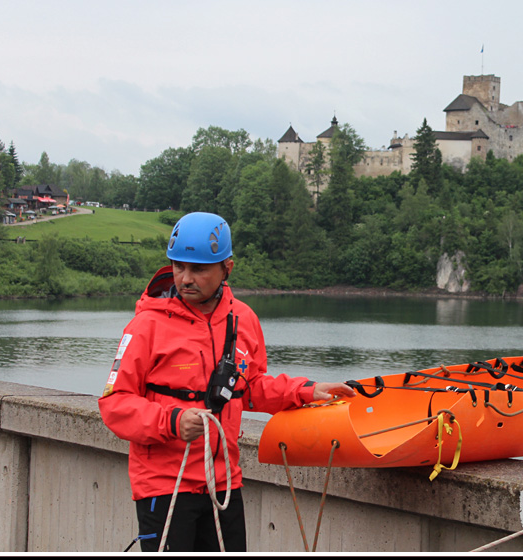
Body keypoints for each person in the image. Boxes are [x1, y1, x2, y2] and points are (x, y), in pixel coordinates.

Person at [99, 212, 354, 552]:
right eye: (178, 267)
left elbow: (251, 389)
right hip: (164, 486)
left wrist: (307, 391)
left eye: (199, 269)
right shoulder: (145, 326)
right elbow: (114, 404)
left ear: (227, 268)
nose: (185, 278)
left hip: (224, 484)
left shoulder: (243, 319)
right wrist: (172, 421)